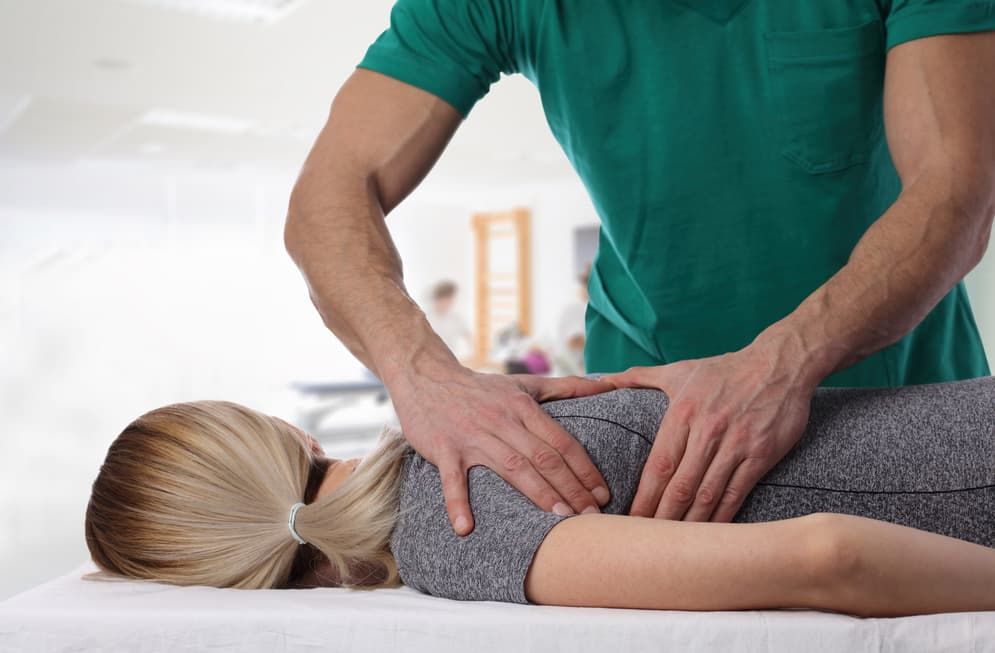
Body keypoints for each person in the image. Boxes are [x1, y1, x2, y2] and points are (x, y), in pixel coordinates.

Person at [284, 1, 995, 536]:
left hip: (902, 394)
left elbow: (956, 190)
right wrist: (423, 380)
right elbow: (328, 197)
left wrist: (782, 363)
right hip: (644, 420)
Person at [86, 376, 995, 616]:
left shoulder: (450, 522)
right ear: (285, 437)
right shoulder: (454, 481)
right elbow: (820, 556)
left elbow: (827, 558)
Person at [424, 280, 472, 360]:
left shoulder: (456, 318)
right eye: (446, 299)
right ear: (438, 299)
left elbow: (468, 335)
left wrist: (471, 354)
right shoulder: (426, 317)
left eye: (451, 299)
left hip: (451, 359)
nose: (449, 302)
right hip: (430, 359)